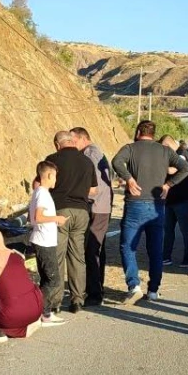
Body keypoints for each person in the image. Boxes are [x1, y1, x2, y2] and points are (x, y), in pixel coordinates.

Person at [110, 120, 188, 304]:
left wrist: (129, 179)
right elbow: (186, 168)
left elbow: (116, 162)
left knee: (127, 246)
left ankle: (134, 286)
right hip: (157, 205)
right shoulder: (165, 151)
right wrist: (168, 184)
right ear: (154, 133)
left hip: (135, 203)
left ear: (139, 131)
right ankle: (153, 290)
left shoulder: (130, 148)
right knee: (155, 249)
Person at [45, 131, 97, 314]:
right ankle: (77, 300)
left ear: (57, 144)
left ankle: (55, 302)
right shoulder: (86, 161)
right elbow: (93, 189)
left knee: (58, 256)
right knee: (77, 257)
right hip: (82, 211)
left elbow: (45, 184)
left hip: (59, 211)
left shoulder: (52, 160)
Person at [71, 127, 111, 307]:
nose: (72, 145)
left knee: (92, 250)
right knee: (96, 250)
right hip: (101, 206)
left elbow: (95, 186)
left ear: (83, 138)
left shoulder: (90, 155)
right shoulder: (96, 152)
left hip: (97, 207)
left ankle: (95, 294)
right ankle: (95, 289)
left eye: (74, 141)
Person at [29, 160, 68, 326]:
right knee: (54, 280)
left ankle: (44, 312)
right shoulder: (43, 194)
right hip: (44, 242)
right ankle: (41, 312)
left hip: (43, 239)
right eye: (55, 177)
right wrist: (56, 218)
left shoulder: (39, 192)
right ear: (49, 175)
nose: (56, 181)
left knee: (46, 279)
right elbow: (38, 217)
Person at [159, 135, 188, 268]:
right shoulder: (174, 154)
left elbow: (175, 169)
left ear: (167, 145)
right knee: (168, 229)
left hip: (182, 199)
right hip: (170, 199)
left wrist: (159, 166)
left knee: (185, 229)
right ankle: (166, 256)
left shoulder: (182, 153)